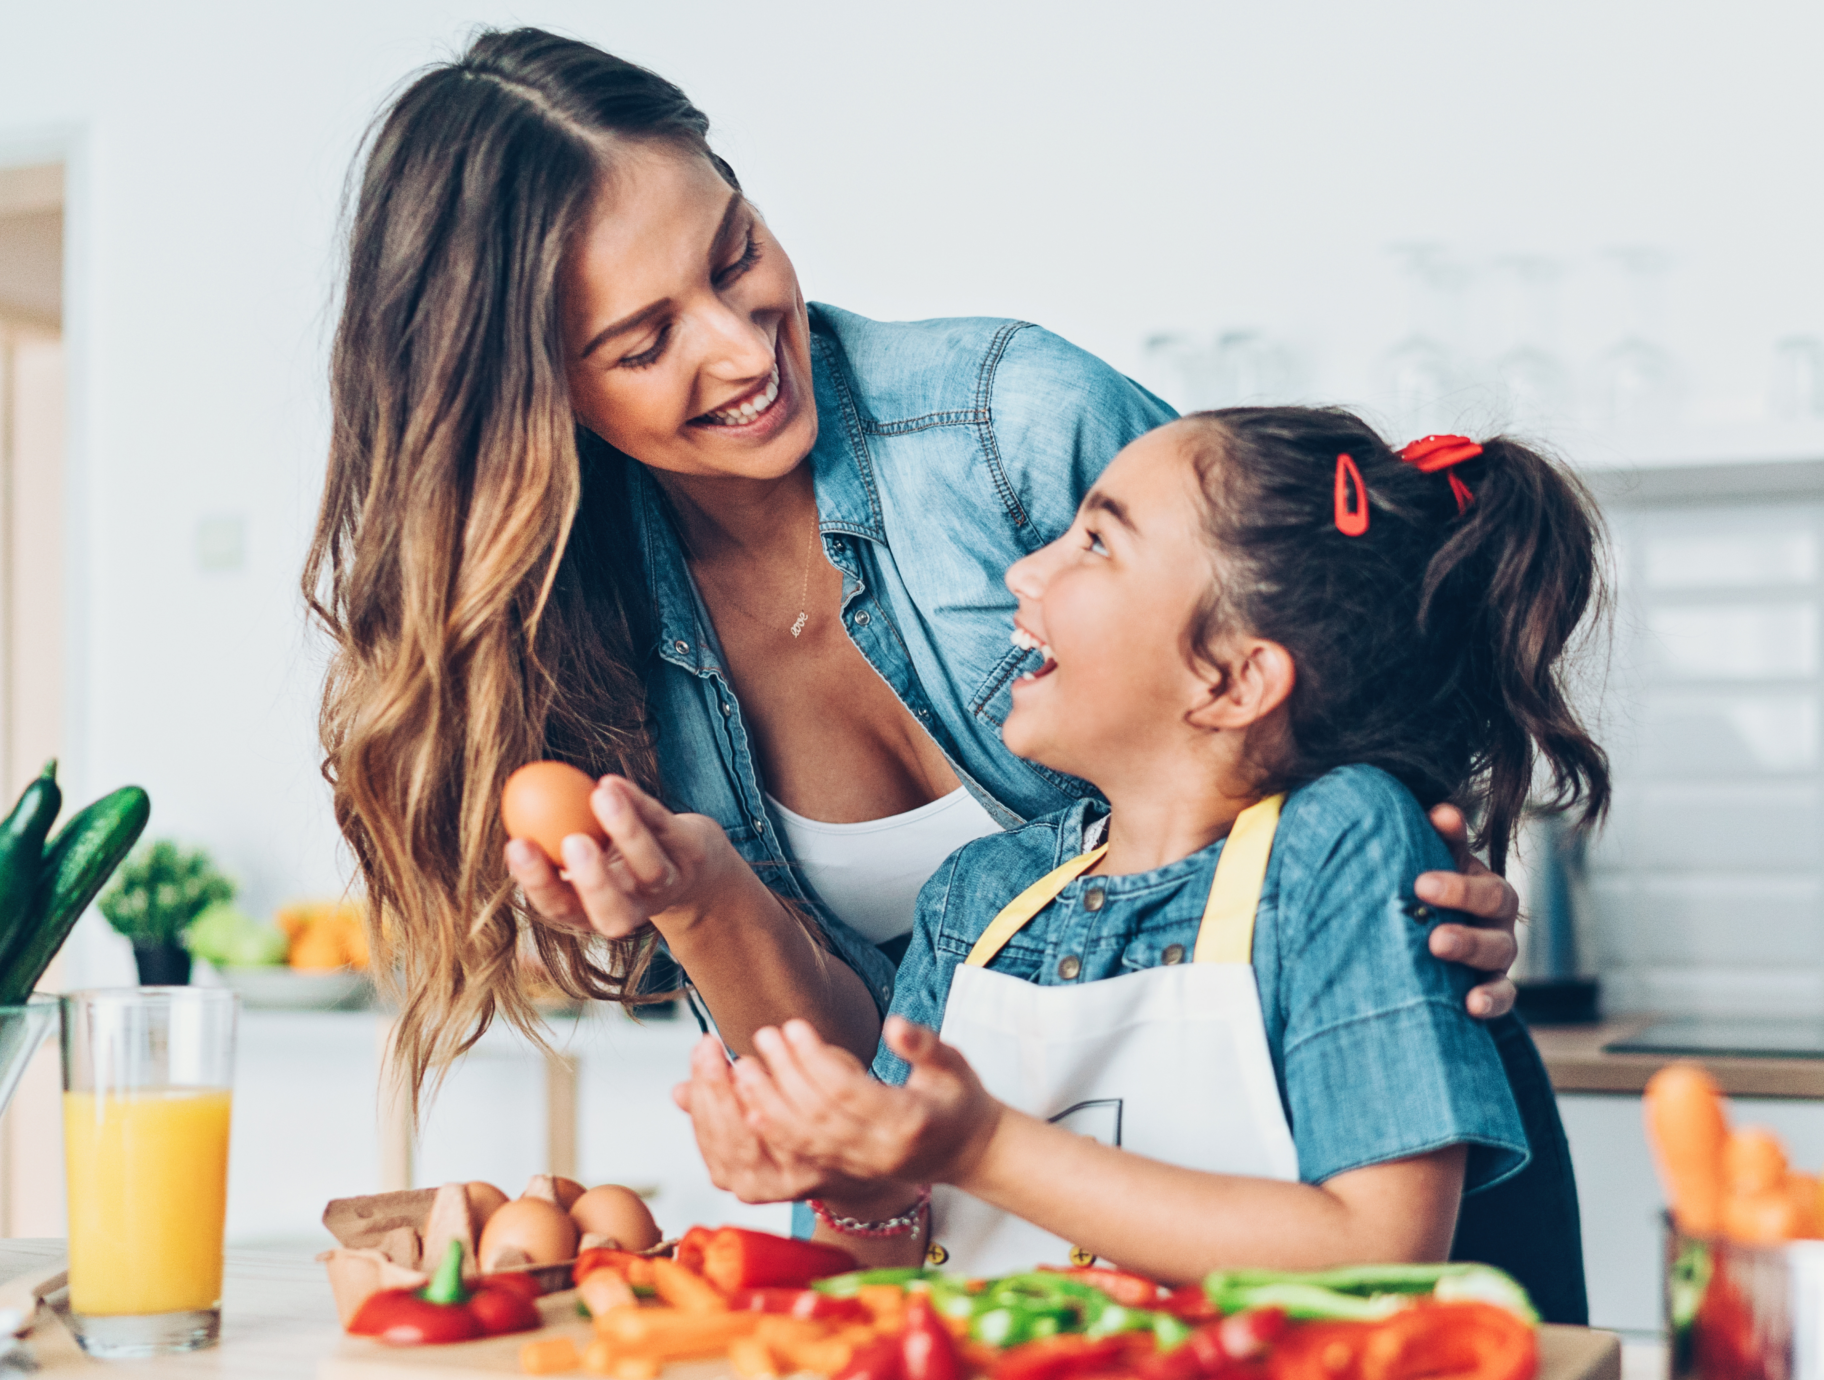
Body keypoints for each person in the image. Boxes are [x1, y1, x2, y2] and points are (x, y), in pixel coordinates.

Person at [305, 29, 1585, 1315]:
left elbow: (1309, 649)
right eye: (644, 344)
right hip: (1060, 1313)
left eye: (736, 254)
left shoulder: (1012, 424)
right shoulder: (575, 639)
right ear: (531, 396)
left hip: (1377, 1219)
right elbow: (890, 1144)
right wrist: (706, 911)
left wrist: (1412, 880)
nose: (745, 351)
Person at [683, 410, 1608, 1285]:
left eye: (1097, 542)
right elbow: (883, 1270)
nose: (1023, 573)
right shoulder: (979, 898)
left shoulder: (1337, 843)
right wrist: (853, 1185)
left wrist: (984, 1146)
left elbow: (1382, 1245)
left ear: (1234, 679)